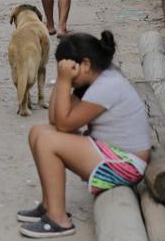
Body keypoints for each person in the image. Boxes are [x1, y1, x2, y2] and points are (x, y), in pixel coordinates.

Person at [18, 31, 151, 238]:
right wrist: (65, 81)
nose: (66, 73)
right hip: (111, 154)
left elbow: (63, 125)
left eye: (68, 67)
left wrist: (63, 82)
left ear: (85, 65)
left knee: (47, 141)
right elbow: (55, 119)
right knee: (38, 132)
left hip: (126, 165)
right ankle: (48, 205)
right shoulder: (96, 79)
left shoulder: (107, 86)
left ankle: (58, 219)